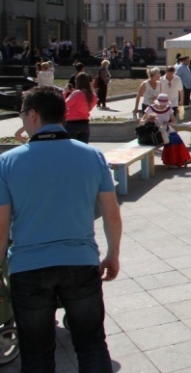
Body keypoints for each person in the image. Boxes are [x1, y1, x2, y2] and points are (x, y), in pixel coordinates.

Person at [0, 87, 122, 371]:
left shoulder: (7, 162)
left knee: (36, 353)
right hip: (80, 264)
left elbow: (2, 225)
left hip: (28, 268)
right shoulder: (93, 156)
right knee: (92, 344)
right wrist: (112, 254)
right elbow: (112, 214)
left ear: (33, 114)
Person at [141, 93, 191, 168]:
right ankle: (171, 162)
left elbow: (174, 121)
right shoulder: (151, 108)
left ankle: (183, 159)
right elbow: (142, 121)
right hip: (155, 130)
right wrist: (149, 119)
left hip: (165, 128)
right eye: (161, 104)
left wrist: (168, 123)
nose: (163, 105)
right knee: (170, 140)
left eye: (164, 104)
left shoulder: (168, 108)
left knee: (177, 138)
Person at [63, 73, 97, 143]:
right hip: (85, 123)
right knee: (83, 147)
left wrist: (65, 93)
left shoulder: (77, 93)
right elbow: (89, 109)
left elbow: (64, 105)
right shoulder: (93, 96)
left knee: (71, 148)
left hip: (72, 124)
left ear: (77, 82)